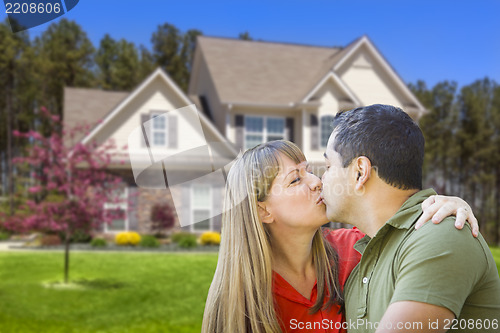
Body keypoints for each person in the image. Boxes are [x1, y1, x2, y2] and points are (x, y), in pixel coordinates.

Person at [202, 139, 478, 333]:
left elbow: (405, 227)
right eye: (296, 179)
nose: (316, 182)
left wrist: (446, 204)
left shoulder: (356, 248)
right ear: (263, 211)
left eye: (309, 171)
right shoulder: (243, 301)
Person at [321, 104, 500, 333]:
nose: (321, 180)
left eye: (328, 166)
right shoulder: (361, 266)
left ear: (360, 172)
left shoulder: (439, 235)